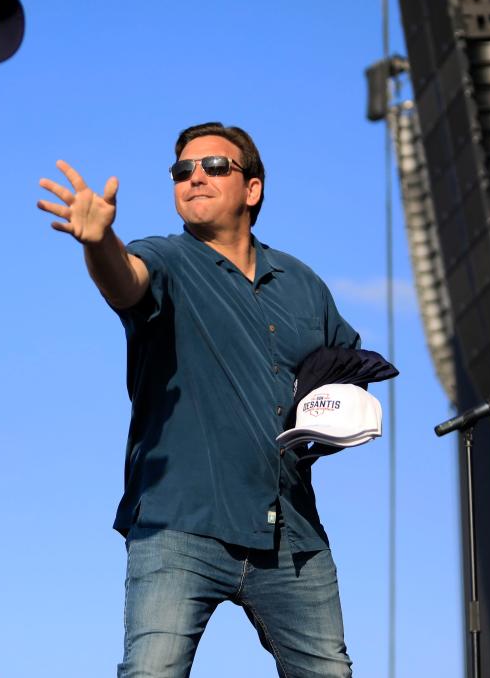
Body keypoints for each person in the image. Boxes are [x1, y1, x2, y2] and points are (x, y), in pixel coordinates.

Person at [37, 122, 360, 677]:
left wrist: (338, 416)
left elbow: (348, 370)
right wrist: (98, 244)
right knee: (152, 672)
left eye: (213, 167)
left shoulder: (303, 284)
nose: (194, 178)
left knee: (330, 674)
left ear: (252, 189)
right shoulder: (165, 258)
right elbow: (126, 281)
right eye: (182, 171)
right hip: (178, 527)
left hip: (291, 537)